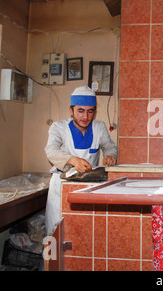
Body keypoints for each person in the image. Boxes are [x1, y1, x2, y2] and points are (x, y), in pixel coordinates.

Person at [44, 85, 117, 235]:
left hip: (88, 186)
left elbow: (110, 146)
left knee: (83, 232)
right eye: (80, 111)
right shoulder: (58, 128)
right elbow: (51, 151)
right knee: (57, 232)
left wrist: (111, 155)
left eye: (90, 111)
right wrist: (72, 160)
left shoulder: (99, 127)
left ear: (94, 113)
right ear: (71, 111)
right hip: (61, 185)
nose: (85, 117)